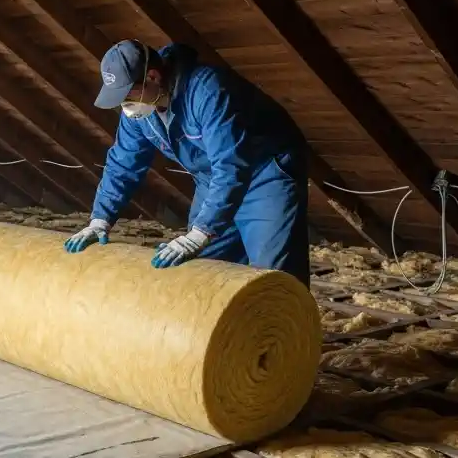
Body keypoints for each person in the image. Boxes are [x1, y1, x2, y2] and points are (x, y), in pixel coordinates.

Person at [64, 39, 311, 285]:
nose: (124, 105)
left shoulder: (207, 91)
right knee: (200, 270)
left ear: (152, 77)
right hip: (213, 180)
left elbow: (231, 164)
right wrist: (100, 219)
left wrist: (203, 230)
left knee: (274, 279)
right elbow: (123, 163)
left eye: (127, 94)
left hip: (265, 176)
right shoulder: (140, 111)